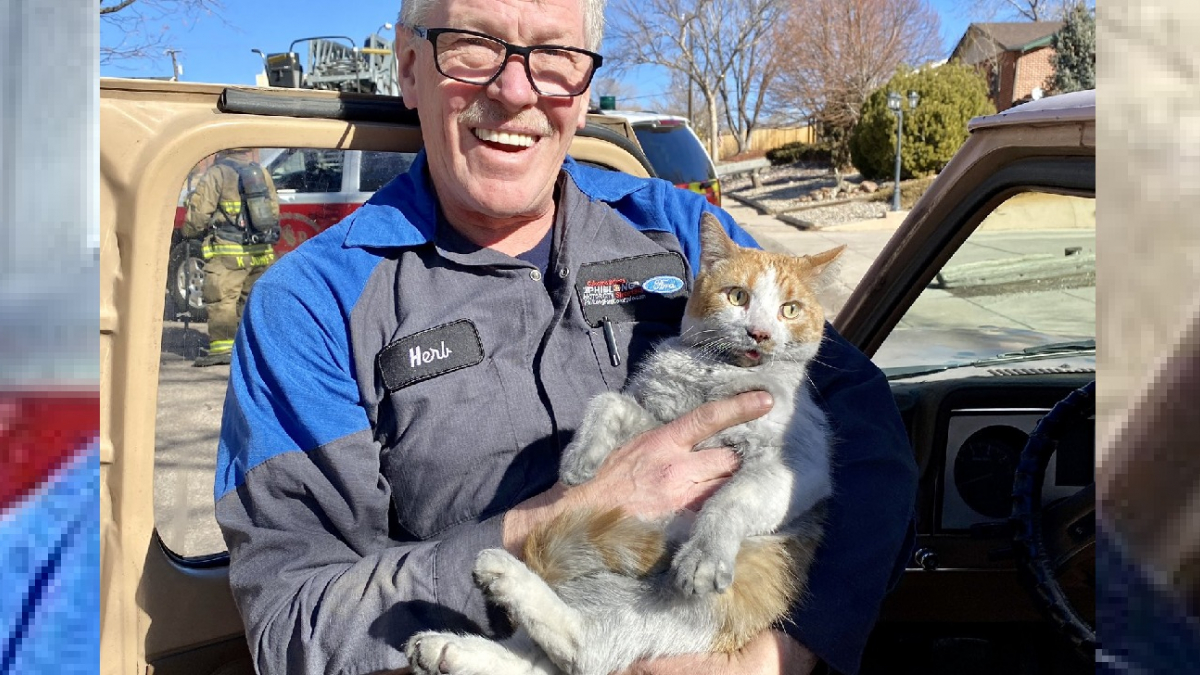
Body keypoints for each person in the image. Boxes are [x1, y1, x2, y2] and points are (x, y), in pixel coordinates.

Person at [214, 1, 917, 673]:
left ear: (583, 89)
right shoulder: (314, 302)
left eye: (553, 55)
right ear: (408, 67)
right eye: (474, 45)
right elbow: (294, 619)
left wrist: (785, 649)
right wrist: (547, 523)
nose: (516, 90)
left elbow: (865, 428)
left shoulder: (679, 232)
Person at [182, 147, 281, 367]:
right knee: (251, 301)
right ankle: (250, 350)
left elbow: (198, 215)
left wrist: (187, 231)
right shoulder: (261, 172)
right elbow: (274, 209)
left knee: (222, 299)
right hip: (261, 251)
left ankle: (222, 349)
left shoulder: (217, 173)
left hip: (229, 252)